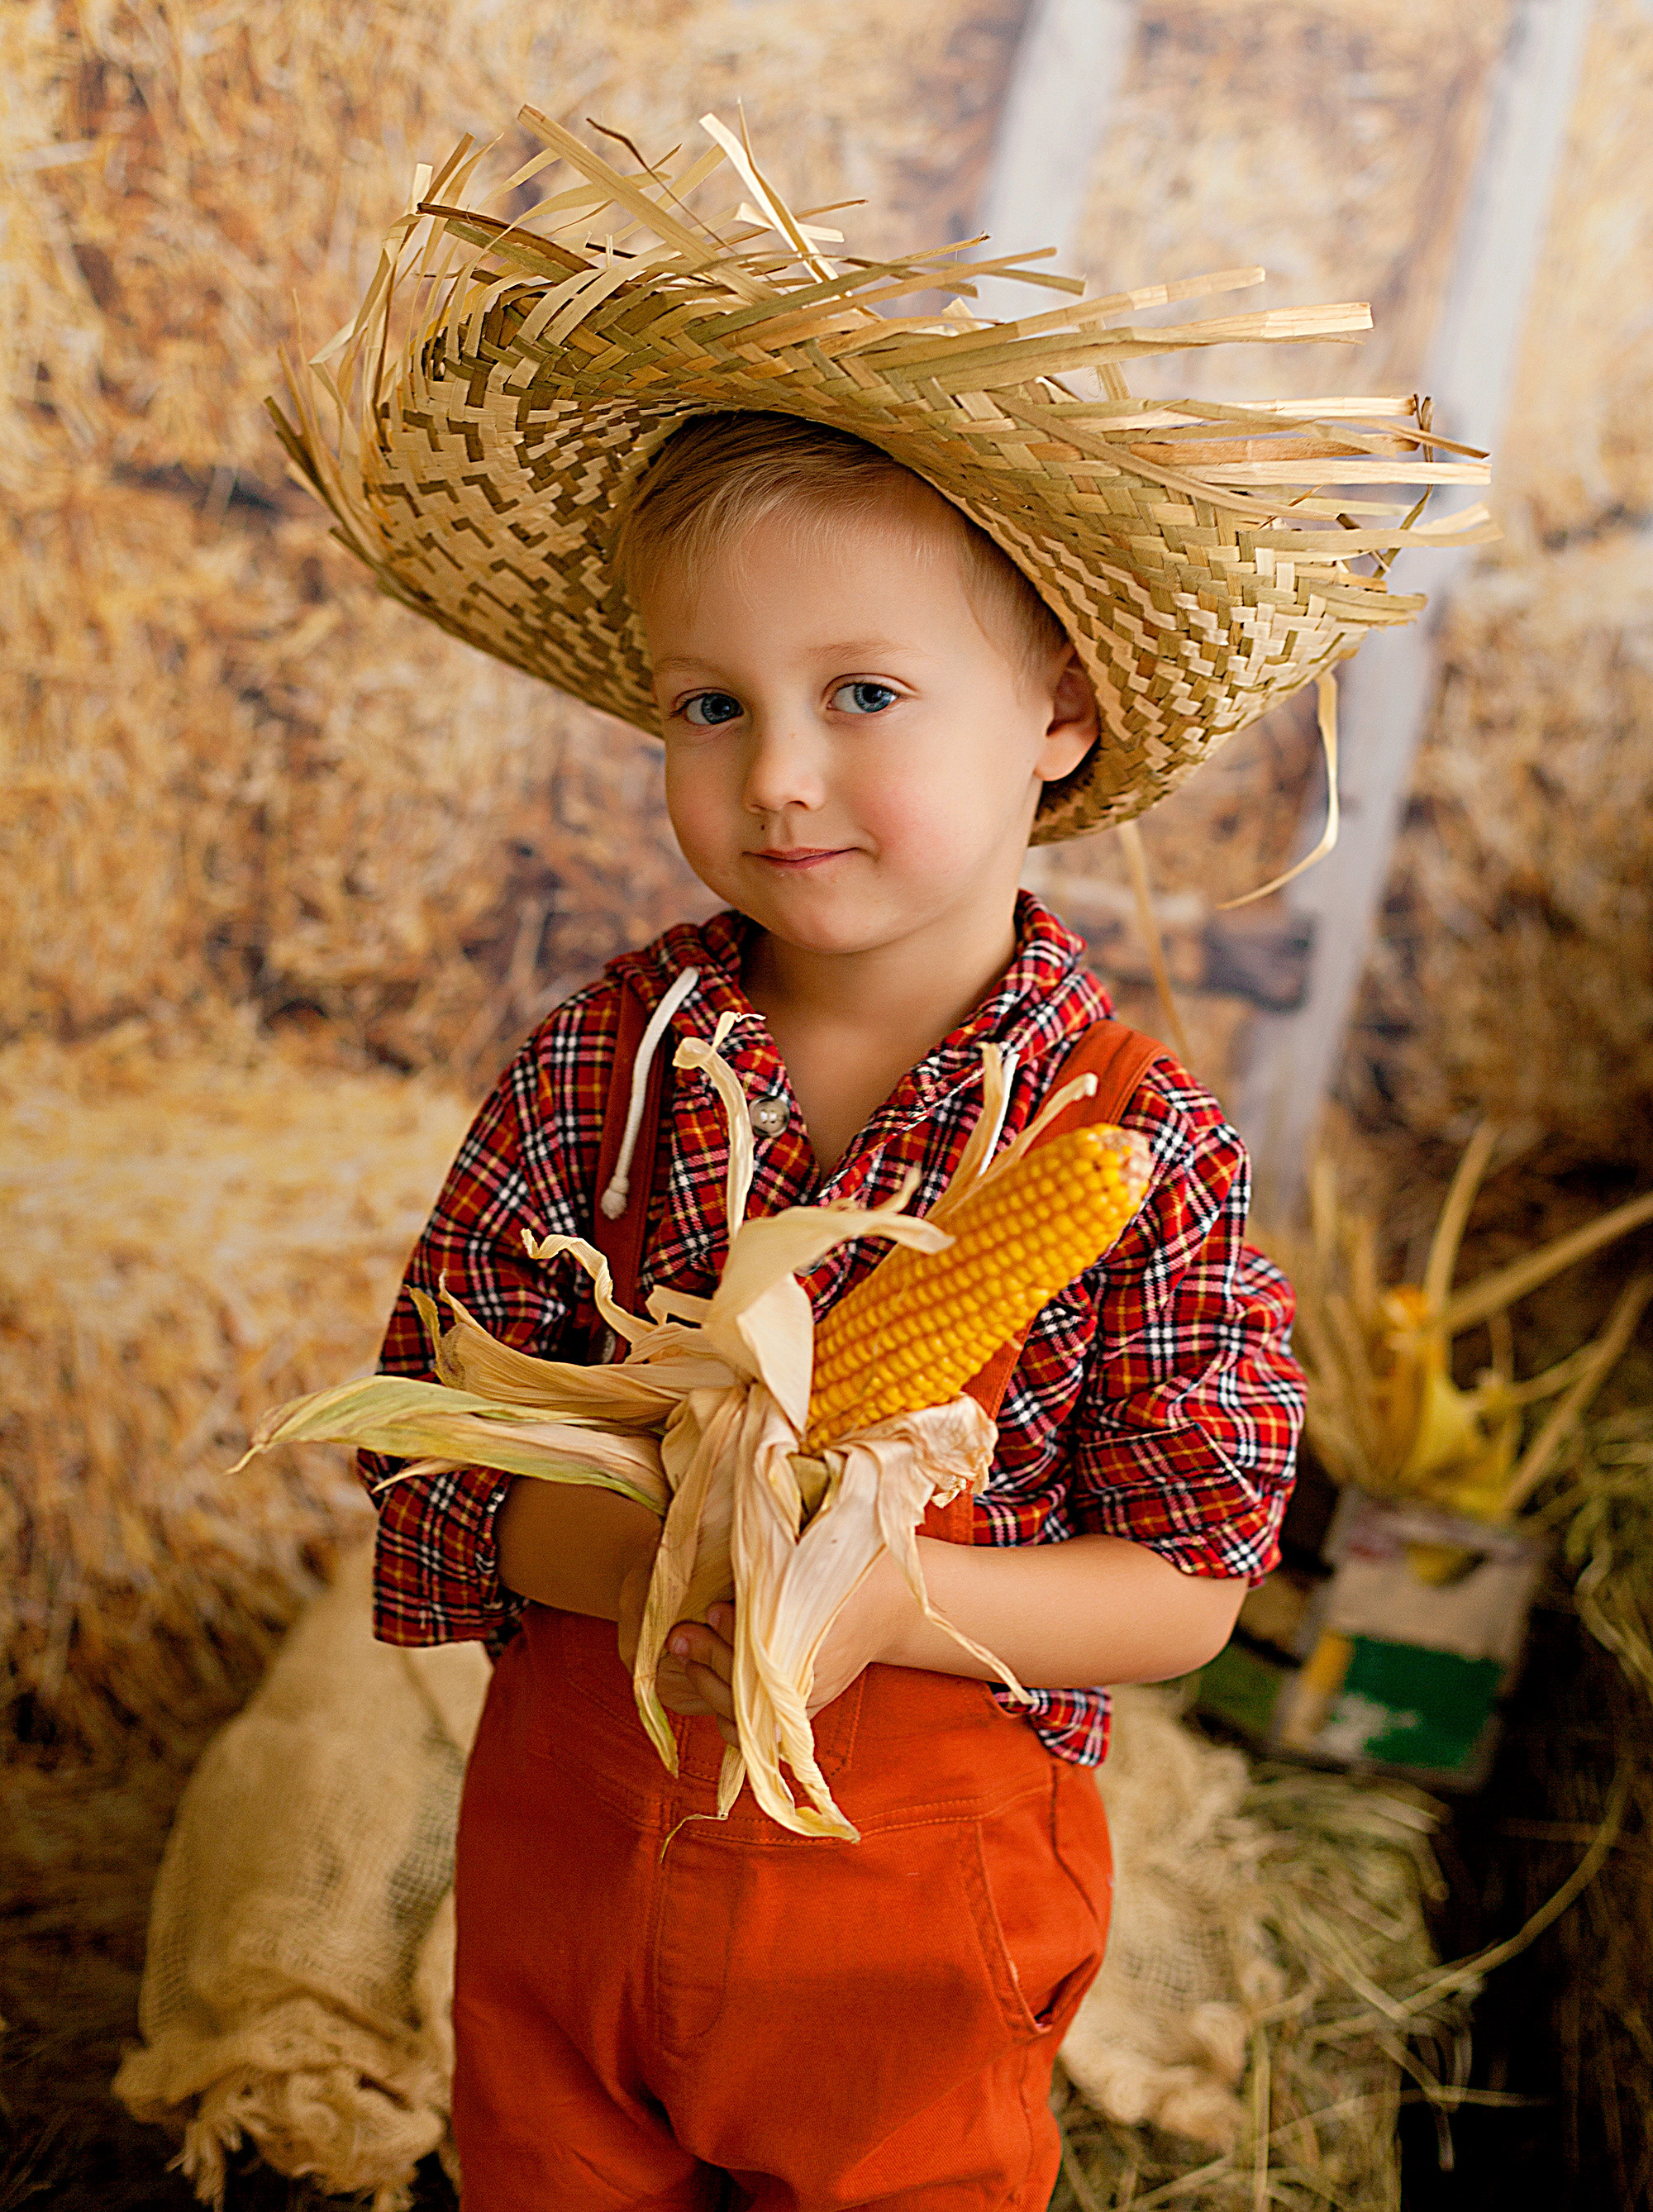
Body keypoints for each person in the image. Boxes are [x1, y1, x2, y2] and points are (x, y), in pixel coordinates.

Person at [280, 118, 1420, 2208]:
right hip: (565, 1870)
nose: (775, 776)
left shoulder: (1131, 1145)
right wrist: (659, 1561)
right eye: (707, 703)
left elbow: (1184, 1590)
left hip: (904, 1898)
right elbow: (431, 1447)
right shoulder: (600, 1073)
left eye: (864, 693)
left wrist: (868, 1599)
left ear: (1055, 713)